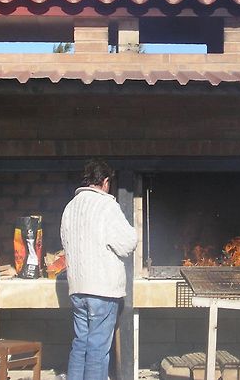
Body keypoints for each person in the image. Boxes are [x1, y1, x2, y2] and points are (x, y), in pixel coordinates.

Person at [60, 160, 138, 380]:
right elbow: (127, 243)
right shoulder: (107, 206)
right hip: (102, 290)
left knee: (80, 345)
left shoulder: (70, 207)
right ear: (105, 182)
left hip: (77, 288)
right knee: (97, 350)